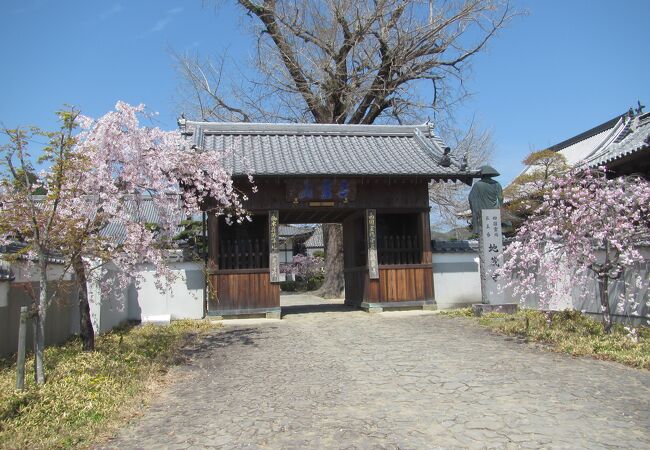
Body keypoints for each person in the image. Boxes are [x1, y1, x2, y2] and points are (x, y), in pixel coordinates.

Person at [468, 165, 503, 233]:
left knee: (485, 232)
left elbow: (471, 198)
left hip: (482, 212)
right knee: (494, 231)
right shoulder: (497, 184)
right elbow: (501, 198)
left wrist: (475, 210)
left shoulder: (477, 185)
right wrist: (500, 208)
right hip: (494, 211)